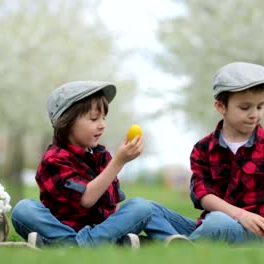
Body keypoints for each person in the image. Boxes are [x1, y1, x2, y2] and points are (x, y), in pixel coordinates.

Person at [11, 81, 196, 249]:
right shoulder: (54, 160)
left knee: (141, 207)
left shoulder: (102, 155)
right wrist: (119, 161)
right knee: (23, 209)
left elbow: (112, 207)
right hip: (62, 227)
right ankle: (91, 244)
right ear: (65, 122)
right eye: (93, 119)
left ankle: (64, 246)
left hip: (101, 228)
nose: (102, 125)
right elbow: (85, 199)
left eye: (103, 119)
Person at [187, 62, 264, 244]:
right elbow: (202, 194)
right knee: (146, 209)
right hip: (214, 223)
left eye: (260, 107)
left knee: (217, 221)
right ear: (221, 107)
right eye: (245, 108)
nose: (254, 114)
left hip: (258, 231)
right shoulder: (203, 148)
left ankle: (181, 246)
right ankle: (182, 241)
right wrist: (240, 215)